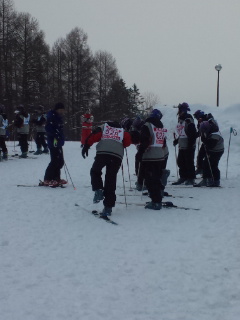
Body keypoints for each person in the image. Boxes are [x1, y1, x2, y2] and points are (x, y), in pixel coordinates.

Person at [81, 120, 132, 218]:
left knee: (95, 171)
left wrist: (86, 145)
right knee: (111, 179)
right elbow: (127, 142)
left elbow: (94, 135)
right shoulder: (122, 130)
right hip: (116, 156)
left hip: (103, 153)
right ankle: (108, 207)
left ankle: (98, 190)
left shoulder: (104, 127)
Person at [136, 109, 169, 210]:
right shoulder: (160, 126)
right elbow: (163, 142)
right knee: (156, 177)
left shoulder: (147, 125)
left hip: (150, 156)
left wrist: (140, 152)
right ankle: (158, 196)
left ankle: (156, 201)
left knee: (150, 180)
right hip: (160, 155)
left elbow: (144, 140)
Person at [172, 103, 197, 185]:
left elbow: (192, 133)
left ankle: (191, 178)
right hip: (182, 143)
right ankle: (183, 177)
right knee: (181, 162)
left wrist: (191, 144)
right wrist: (177, 140)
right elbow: (182, 132)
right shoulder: (180, 119)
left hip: (188, 143)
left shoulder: (188, 119)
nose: (178, 111)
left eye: (180, 110)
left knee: (189, 162)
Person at [43, 102, 67, 187]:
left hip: (58, 141)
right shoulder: (51, 116)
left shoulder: (58, 117)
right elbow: (48, 128)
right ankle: (48, 178)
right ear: (57, 109)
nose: (62, 111)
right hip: (53, 142)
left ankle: (56, 178)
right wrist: (55, 134)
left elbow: (59, 129)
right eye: (61, 110)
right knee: (55, 160)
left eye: (63, 110)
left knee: (60, 161)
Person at [194, 121, 224, 187]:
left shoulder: (215, 135)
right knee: (207, 163)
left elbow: (211, 145)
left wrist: (204, 140)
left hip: (217, 151)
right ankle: (209, 179)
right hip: (214, 149)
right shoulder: (211, 130)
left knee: (212, 165)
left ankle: (213, 180)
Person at [193, 110, 219, 175]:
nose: (197, 119)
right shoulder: (200, 122)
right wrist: (195, 136)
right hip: (205, 140)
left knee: (208, 156)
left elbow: (214, 129)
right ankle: (200, 168)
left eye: (197, 117)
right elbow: (200, 131)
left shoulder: (209, 120)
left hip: (210, 140)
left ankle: (208, 171)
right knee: (200, 155)